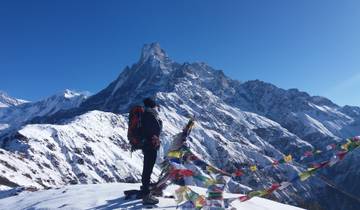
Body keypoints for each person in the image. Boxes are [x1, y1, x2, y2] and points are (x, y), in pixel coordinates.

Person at [140, 97, 162, 205]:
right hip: (150, 146)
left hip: (147, 145)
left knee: (147, 168)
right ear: (152, 106)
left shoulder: (146, 115)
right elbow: (154, 132)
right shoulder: (149, 115)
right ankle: (146, 195)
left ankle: (145, 188)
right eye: (155, 105)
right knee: (148, 169)